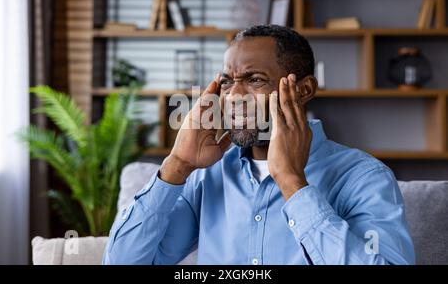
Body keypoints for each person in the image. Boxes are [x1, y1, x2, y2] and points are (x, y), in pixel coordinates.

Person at [103, 25, 415, 265]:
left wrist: (293, 183)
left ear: (304, 90)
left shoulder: (362, 177)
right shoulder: (206, 176)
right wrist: (177, 164)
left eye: (254, 80)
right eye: (226, 81)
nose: (234, 96)